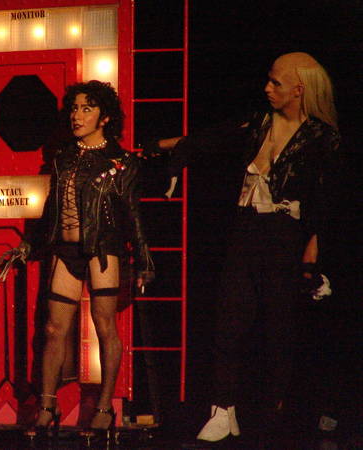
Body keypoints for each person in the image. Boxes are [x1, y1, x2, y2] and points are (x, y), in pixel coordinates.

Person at [144, 52, 340, 441]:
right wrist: (162, 149)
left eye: (276, 83)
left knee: (279, 329)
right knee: (228, 321)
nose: (267, 88)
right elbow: (208, 139)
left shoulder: (322, 138)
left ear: (298, 90)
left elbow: (327, 199)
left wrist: (314, 251)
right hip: (246, 231)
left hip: (285, 236)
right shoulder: (259, 122)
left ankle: (278, 414)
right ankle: (222, 410)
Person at [0, 80, 154, 442]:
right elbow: (50, 209)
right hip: (64, 252)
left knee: (105, 328)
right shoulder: (63, 157)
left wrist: (144, 259)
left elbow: (133, 214)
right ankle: (47, 405)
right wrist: (27, 246)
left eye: (86, 108)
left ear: (105, 117)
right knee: (53, 330)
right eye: (74, 108)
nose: (77, 115)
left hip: (103, 251)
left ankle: (104, 407)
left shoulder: (122, 162)